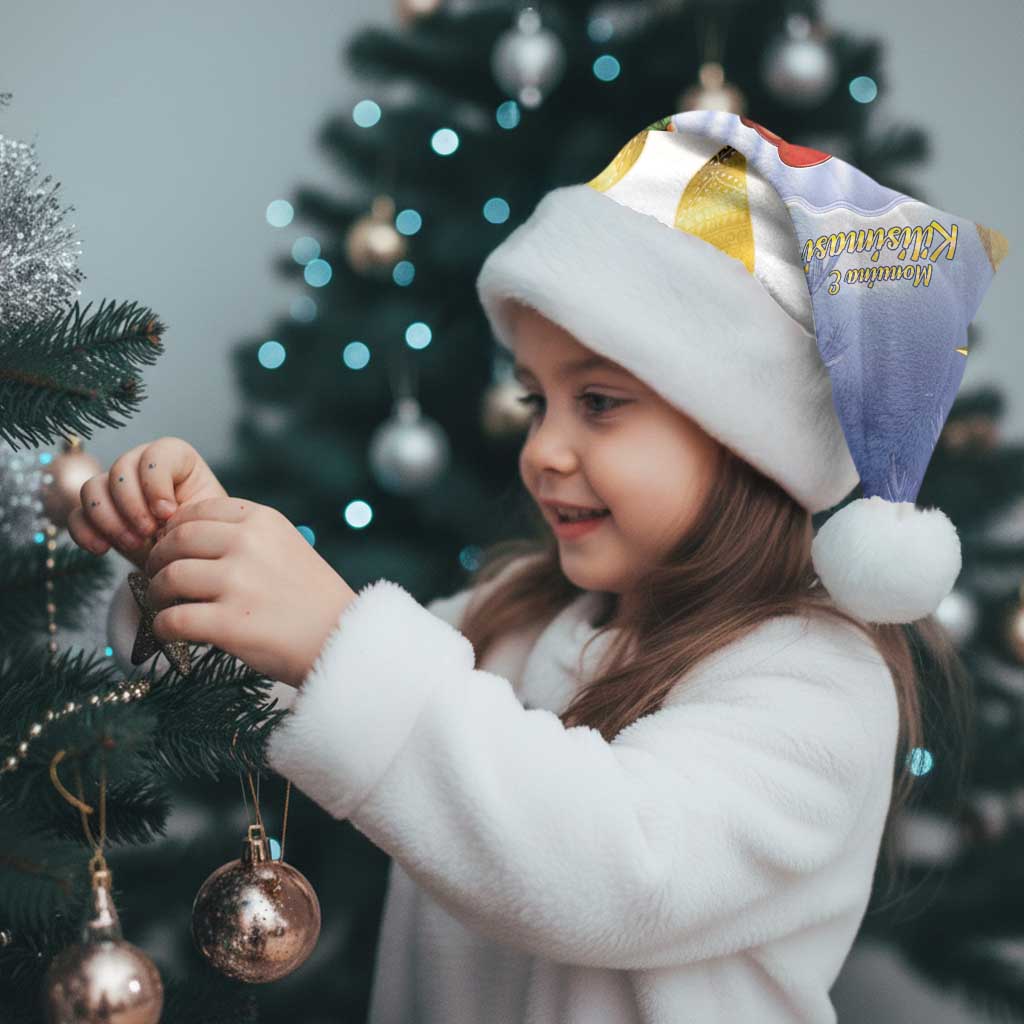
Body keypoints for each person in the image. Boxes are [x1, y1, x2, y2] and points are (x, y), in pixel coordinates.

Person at [75, 110, 1008, 1023]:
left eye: (598, 403)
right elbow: (304, 691)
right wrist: (191, 564)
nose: (543, 450)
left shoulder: (818, 682)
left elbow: (616, 870)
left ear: (747, 440)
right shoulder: (514, 616)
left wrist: (334, 635)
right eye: (536, 401)